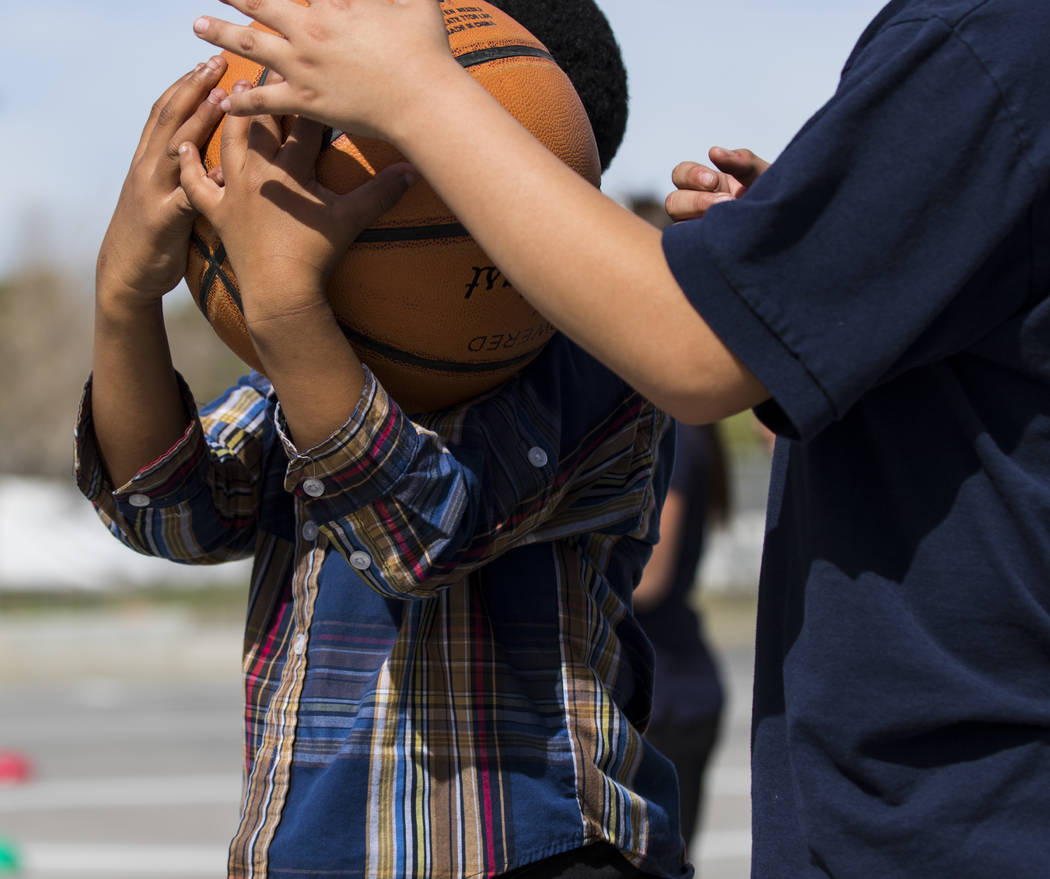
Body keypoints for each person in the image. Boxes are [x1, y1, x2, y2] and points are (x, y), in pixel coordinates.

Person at [188, 0, 1050, 876]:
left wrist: (411, 99)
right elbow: (168, 507)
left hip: (937, 809)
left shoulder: (994, 37)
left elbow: (685, 353)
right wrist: (126, 285)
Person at [76, 3, 692, 878]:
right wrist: (125, 296)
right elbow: (168, 513)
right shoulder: (310, 374)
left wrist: (284, 303)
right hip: (309, 853)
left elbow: (415, 536)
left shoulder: (605, 362)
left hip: (544, 850)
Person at [633, 420, 728, 853]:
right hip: (665, 692)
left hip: (666, 700)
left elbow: (650, 578)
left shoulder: (672, 434)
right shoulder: (673, 431)